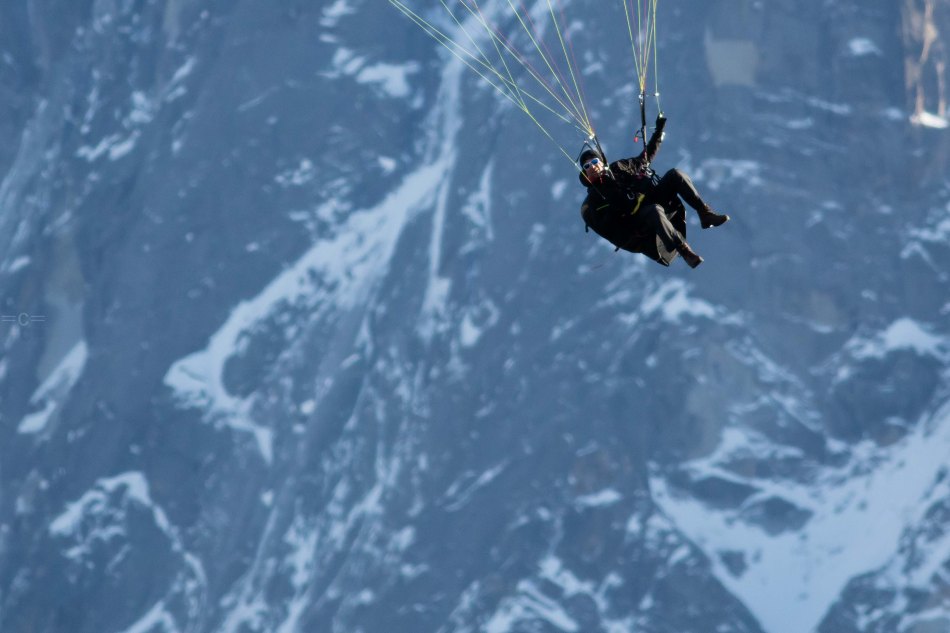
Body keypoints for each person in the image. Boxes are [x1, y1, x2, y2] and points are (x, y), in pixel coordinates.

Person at [578, 114, 729, 268]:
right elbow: (624, 212)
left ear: (602, 162)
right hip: (637, 226)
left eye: (595, 162)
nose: (593, 167)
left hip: (651, 202)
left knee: (675, 175)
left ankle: (705, 213)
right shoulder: (596, 196)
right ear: (585, 173)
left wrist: (658, 132)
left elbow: (645, 158)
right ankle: (684, 250)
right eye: (587, 166)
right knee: (654, 211)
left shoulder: (619, 167)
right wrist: (632, 189)